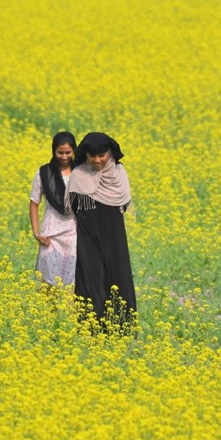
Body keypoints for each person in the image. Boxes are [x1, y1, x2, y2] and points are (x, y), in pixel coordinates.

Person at [65, 132, 136, 327]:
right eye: (92, 156)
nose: (97, 160)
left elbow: (123, 203)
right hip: (88, 237)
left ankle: (121, 327)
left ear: (110, 153)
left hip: (114, 236)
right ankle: (91, 327)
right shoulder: (79, 174)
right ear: (85, 155)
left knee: (117, 275)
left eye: (102, 155)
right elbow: (74, 207)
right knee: (91, 277)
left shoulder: (119, 173)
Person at [29, 131, 78, 287]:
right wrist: (37, 233)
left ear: (74, 151)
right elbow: (34, 203)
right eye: (60, 152)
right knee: (47, 284)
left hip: (74, 233)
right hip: (50, 235)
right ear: (53, 151)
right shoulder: (44, 173)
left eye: (68, 152)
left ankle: (68, 312)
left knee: (72, 283)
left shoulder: (81, 172)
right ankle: (48, 313)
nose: (64, 157)